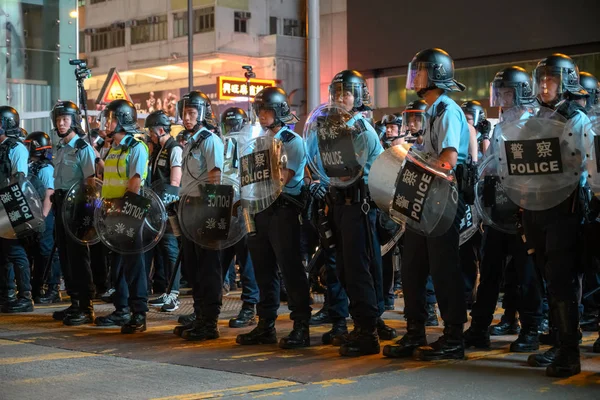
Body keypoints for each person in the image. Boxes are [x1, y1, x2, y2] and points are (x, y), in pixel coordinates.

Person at [383, 48, 470, 361]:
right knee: (413, 268)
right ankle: (414, 332)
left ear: (436, 74)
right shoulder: (433, 110)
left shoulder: (448, 111)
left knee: (444, 268)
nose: (414, 77)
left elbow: (447, 162)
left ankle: (453, 337)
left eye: (419, 71)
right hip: (426, 198)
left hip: (443, 200)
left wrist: (412, 161)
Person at [464, 66, 544, 354]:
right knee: (489, 273)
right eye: (499, 92)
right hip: (498, 209)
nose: (502, 98)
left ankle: (531, 328)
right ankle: (478, 328)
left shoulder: (534, 125)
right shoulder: (499, 126)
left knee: (526, 275)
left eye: (507, 92)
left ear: (521, 92)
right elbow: (488, 165)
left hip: (524, 210)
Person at [524, 53, 591, 377]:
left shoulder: (575, 118)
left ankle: (570, 353)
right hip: (539, 206)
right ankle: (558, 342)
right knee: (549, 278)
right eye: (542, 80)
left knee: (564, 281)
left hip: (565, 209)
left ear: (566, 83)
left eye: (552, 80)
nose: (545, 85)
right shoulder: (537, 117)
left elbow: (579, 166)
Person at [321, 69, 396, 357]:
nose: (341, 98)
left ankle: (367, 332)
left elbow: (371, 171)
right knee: (344, 268)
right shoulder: (329, 130)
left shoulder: (361, 130)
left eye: (347, 93)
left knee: (359, 268)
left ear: (358, 98)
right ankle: (366, 322)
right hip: (339, 204)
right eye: (337, 93)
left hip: (360, 205)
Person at [236, 87, 313, 349]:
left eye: (266, 110)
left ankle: (301, 325)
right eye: (259, 110)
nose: (262, 115)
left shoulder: (292, 141)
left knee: (290, 269)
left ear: (279, 111)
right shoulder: (258, 141)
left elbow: (282, 179)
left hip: (283, 209)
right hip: (259, 209)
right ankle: (265, 324)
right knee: (263, 269)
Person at [171, 90, 225, 341]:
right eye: (184, 113)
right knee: (193, 268)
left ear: (203, 113)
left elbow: (215, 177)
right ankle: (199, 315)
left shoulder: (209, 140)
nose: (187, 118)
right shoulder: (190, 141)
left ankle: (210, 322)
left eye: (192, 113)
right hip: (189, 208)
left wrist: (210, 210)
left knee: (208, 268)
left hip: (205, 208)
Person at [95, 99, 150, 333]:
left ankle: (139, 314)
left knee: (134, 265)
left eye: (112, 119)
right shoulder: (114, 149)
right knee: (117, 265)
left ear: (124, 121)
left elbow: (134, 182)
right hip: (112, 213)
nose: (107, 123)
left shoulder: (136, 147)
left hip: (129, 214)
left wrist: (123, 210)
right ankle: (122, 309)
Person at [51, 100, 97, 325]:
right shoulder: (60, 147)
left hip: (77, 207)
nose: (61, 123)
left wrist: (86, 212)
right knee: (65, 256)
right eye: (58, 119)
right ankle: (74, 301)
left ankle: (86, 306)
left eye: (65, 119)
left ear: (74, 121)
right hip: (60, 204)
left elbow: (90, 182)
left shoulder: (83, 148)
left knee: (79, 257)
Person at [220, 107, 260, 328]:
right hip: (226, 206)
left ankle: (249, 307)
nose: (232, 130)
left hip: (244, 206)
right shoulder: (223, 144)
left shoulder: (250, 145)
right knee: (221, 260)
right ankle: (209, 308)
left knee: (246, 260)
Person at [144, 110, 183, 312]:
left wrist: (166, 207)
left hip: (167, 207)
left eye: (151, 131)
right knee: (162, 250)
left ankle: (174, 294)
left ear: (160, 130)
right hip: (156, 206)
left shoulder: (174, 149)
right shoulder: (158, 148)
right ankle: (167, 291)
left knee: (170, 250)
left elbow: (175, 181)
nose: (149, 135)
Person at [0, 106, 34, 313]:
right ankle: (7, 293)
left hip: (12, 203)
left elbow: (19, 179)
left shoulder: (16, 148)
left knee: (16, 252)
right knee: (3, 253)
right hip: (1, 204)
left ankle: (25, 296)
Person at [23, 131, 62, 304]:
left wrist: (43, 218)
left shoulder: (46, 169)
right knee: (36, 252)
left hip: (44, 216)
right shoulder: (32, 166)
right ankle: (38, 286)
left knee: (47, 252)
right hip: (33, 215)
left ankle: (52, 288)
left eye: (29, 144)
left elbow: (49, 195)